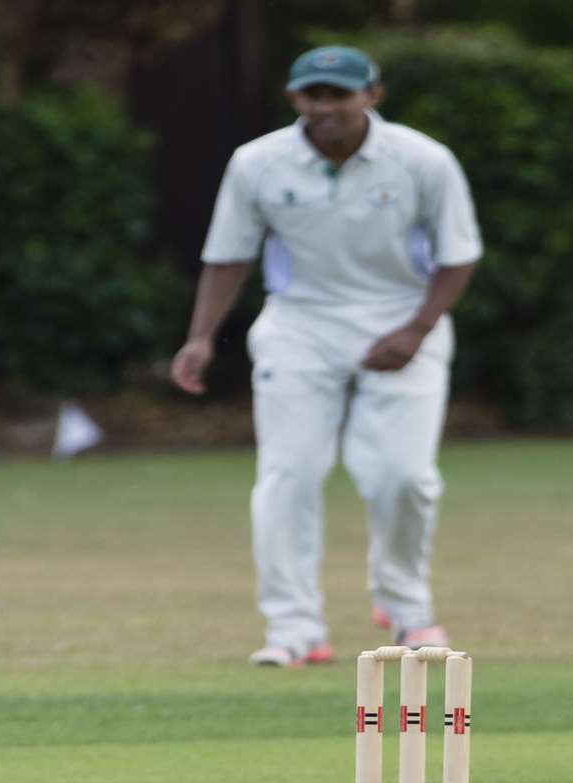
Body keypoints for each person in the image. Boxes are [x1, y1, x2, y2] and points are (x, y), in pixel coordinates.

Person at [169, 45, 482, 666]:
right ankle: (294, 629)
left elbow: (459, 254)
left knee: (402, 477)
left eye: (340, 94)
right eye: (315, 95)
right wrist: (202, 336)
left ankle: (406, 608)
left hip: (403, 320)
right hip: (300, 324)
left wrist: (416, 330)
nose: (327, 108)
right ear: (296, 100)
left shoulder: (423, 160)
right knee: (289, 475)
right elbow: (229, 253)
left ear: (372, 95)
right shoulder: (258, 163)